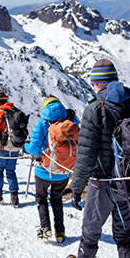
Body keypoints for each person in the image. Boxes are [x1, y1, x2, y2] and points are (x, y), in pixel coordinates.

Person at [65, 59, 130, 258]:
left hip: (102, 182)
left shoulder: (94, 109)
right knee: (123, 236)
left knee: (91, 229)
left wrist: (77, 187)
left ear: (97, 83)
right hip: (129, 181)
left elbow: (86, 154)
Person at [24, 96, 79, 243]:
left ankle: (45, 227)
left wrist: (25, 146)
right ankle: (60, 232)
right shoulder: (70, 123)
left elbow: (34, 149)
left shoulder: (42, 124)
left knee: (41, 198)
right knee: (57, 200)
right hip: (64, 171)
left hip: (44, 171)